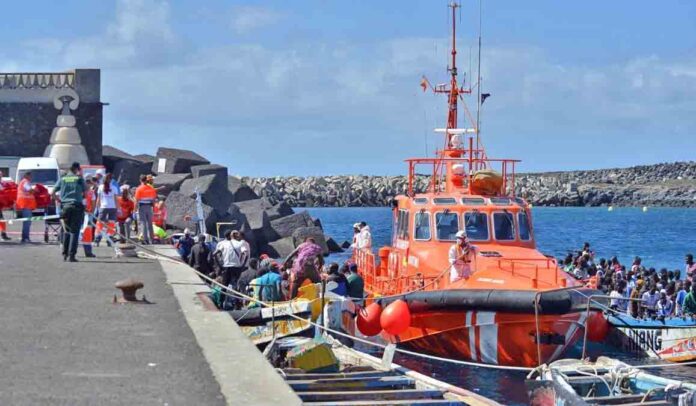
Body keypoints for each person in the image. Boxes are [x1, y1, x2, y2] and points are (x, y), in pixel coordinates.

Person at [51, 162, 86, 262]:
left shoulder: (63, 178)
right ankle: (72, 255)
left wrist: (58, 200)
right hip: (76, 207)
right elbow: (86, 190)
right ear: (77, 169)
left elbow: (52, 192)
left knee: (66, 231)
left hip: (65, 207)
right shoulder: (79, 179)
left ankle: (65, 254)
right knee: (74, 232)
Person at [94, 173, 118, 246]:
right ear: (111, 180)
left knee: (100, 223)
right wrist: (118, 208)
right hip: (112, 207)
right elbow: (115, 199)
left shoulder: (100, 187)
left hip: (103, 207)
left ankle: (97, 238)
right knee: (111, 223)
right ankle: (109, 238)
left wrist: (97, 207)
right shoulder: (114, 188)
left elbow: (98, 199)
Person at [134, 174, 157, 244]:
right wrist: (153, 207)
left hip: (142, 207)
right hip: (149, 207)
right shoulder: (151, 188)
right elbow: (153, 199)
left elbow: (136, 200)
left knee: (143, 223)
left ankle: (145, 239)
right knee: (150, 223)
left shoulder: (139, 189)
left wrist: (135, 209)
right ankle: (152, 239)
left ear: (140, 180)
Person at [16, 171, 37, 243]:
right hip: (26, 205)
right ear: (27, 176)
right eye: (30, 176)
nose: (31, 177)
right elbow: (30, 190)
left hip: (24, 204)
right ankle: (25, 238)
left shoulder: (23, 182)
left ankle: (24, 237)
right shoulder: (25, 182)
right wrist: (35, 190)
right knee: (27, 222)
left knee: (26, 222)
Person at [0, 171, 11, 241]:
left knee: (2, 221)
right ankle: (3, 234)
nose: (1, 176)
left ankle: (3, 234)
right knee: (2, 220)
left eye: (1, 175)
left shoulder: (1, 183)